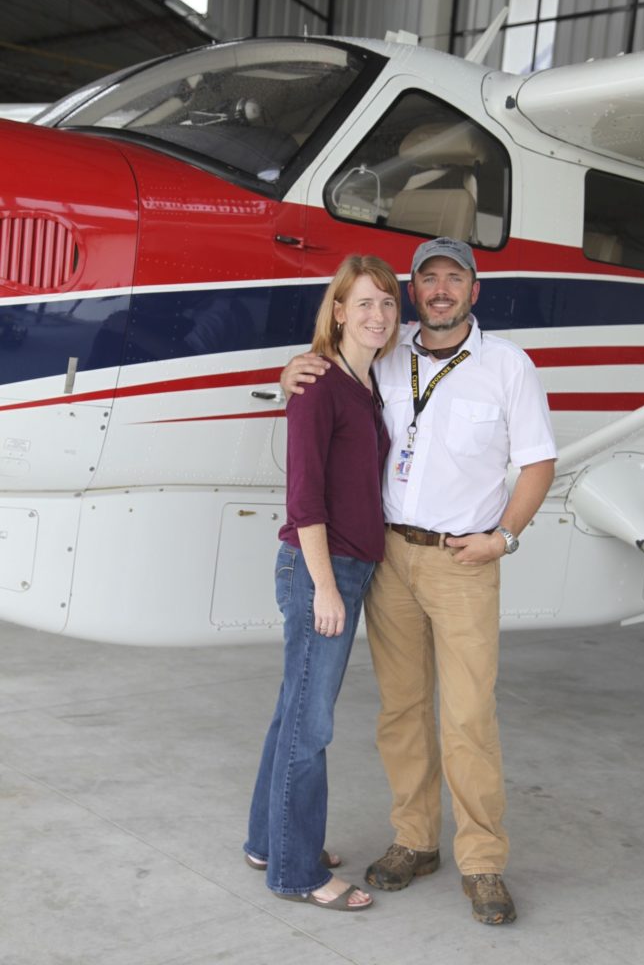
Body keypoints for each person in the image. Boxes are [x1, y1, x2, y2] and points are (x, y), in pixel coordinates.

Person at [280, 236, 556, 925]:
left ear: (473, 291)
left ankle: (482, 861)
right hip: (390, 558)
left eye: (453, 278)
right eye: (427, 278)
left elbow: (537, 464)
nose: (439, 290)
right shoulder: (388, 347)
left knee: (467, 716)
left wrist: (503, 537)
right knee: (401, 711)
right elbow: (332, 368)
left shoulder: (507, 366)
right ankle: (414, 839)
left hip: (464, 563)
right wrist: (293, 370)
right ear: (414, 291)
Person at [243, 254, 401, 912]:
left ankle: (268, 842)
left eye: (387, 303)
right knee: (310, 729)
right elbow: (304, 499)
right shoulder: (318, 385)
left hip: (344, 567)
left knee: (293, 714)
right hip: (320, 569)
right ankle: (297, 872)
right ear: (337, 311)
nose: (377, 315)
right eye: (363, 302)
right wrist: (326, 588)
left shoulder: (364, 385)